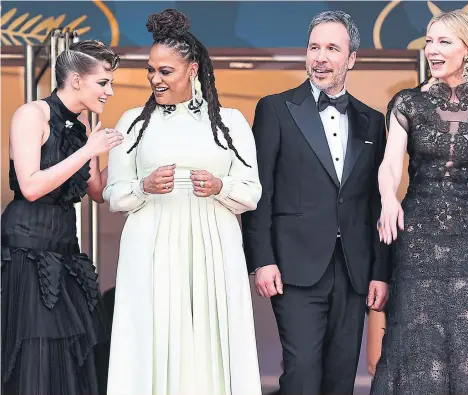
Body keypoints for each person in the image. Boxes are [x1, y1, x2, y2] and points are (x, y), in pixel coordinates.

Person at [103, 9, 262, 395]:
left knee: (210, 331)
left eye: (166, 71)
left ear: (192, 70)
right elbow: (113, 194)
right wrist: (143, 187)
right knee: (153, 331)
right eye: (151, 71)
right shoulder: (132, 122)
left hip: (214, 245)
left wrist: (220, 186)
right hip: (151, 244)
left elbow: (252, 191)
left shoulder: (230, 121)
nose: (156, 79)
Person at [241, 10, 390, 395]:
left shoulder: (373, 121)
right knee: (302, 374)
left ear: (352, 59)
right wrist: (261, 259)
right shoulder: (274, 109)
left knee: (340, 377)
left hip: (355, 272)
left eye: (331, 48)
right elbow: (262, 192)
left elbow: (378, 204)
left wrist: (380, 271)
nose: (319, 57)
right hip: (295, 267)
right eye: (313, 47)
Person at [371, 9, 468, 394]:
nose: (432, 49)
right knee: (417, 343)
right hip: (417, 235)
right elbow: (389, 166)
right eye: (429, 40)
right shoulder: (408, 104)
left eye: (443, 41)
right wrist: (388, 197)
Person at [1, 40, 122, 395]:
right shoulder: (31, 115)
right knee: (36, 352)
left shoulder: (84, 127)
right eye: (104, 82)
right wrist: (88, 150)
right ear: (76, 80)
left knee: (71, 353)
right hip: (28, 251)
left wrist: (130, 156)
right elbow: (31, 186)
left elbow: (97, 192)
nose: (111, 91)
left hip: (65, 250)